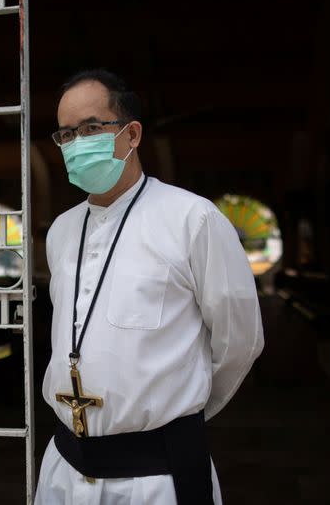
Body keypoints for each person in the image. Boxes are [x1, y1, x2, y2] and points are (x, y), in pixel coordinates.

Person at [34, 69, 265, 505]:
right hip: (64, 467)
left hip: (155, 476)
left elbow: (240, 342)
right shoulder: (62, 231)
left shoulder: (192, 219)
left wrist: (178, 407)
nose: (76, 143)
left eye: (90, 128)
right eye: (66, 134)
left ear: (131, 134)